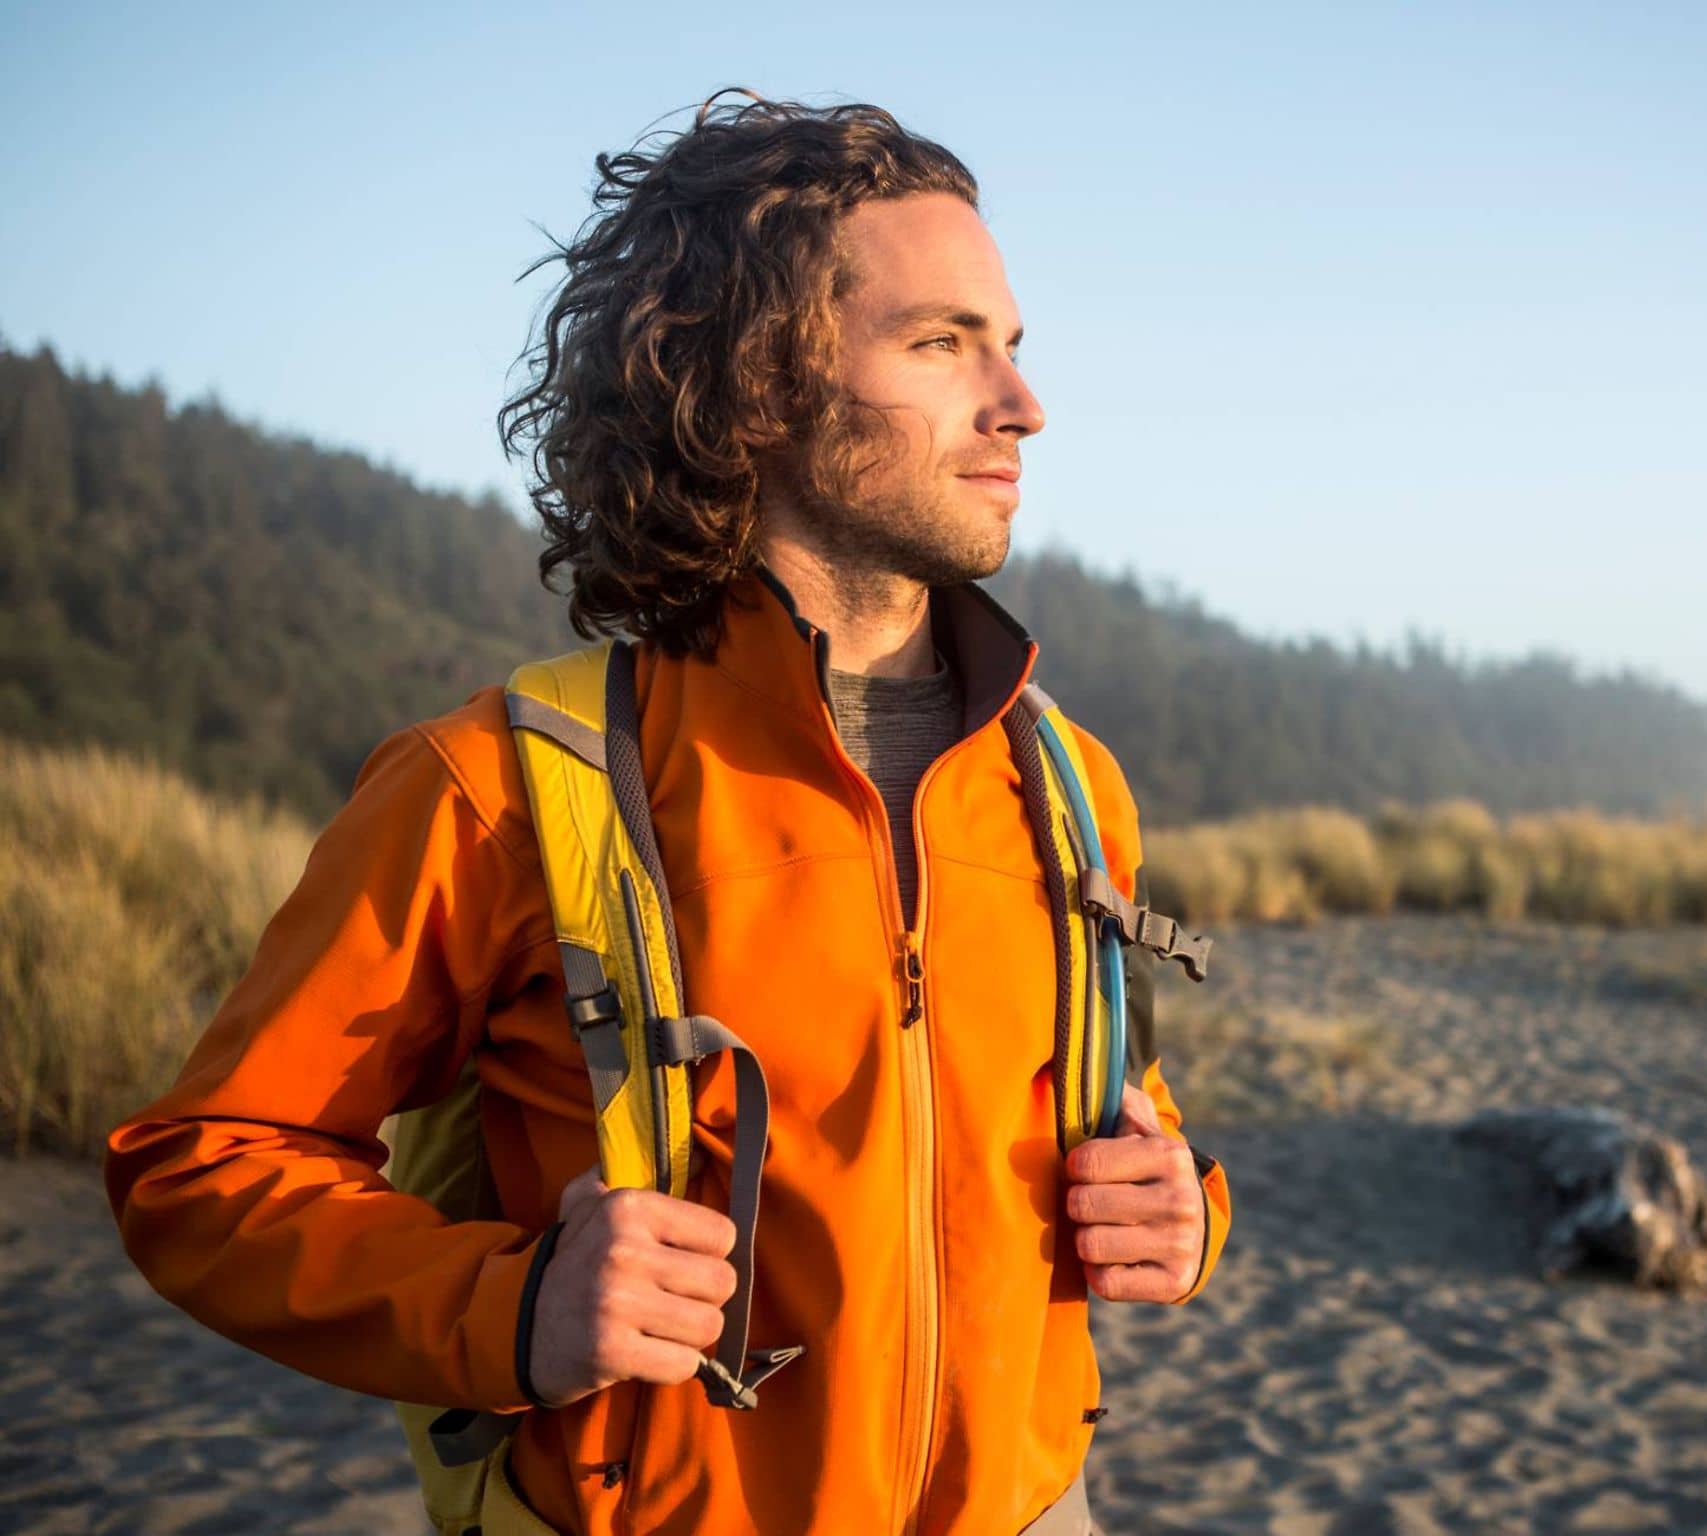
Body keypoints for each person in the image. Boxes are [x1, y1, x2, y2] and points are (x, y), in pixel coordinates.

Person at [103, 89, 1231, 1535]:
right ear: (758, 384)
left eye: (1009, 344)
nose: (1021, 403)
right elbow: (203, 1168)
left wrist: (1183, 1206)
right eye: (942, 343)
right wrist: (512, 1309)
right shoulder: (502, 783)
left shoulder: (1068, 781)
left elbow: (1114, 1104)